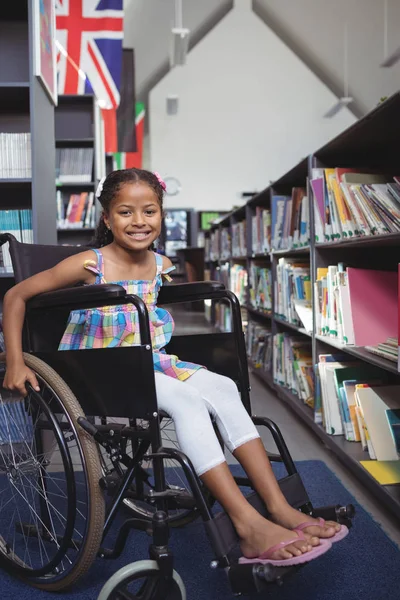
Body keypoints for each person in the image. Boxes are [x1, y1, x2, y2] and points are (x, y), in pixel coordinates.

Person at [2, 168, 347, 567]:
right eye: (126, 212)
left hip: (148, 360)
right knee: (186, 401)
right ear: (107, 218)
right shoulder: (89, 263)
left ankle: (279, 507)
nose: (139, 222)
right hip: (98, 368)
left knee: (223, 387)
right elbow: (15, 296)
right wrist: (14, 361)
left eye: (149, 211)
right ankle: (246, 523)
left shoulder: (159, 264)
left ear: (162, 215)